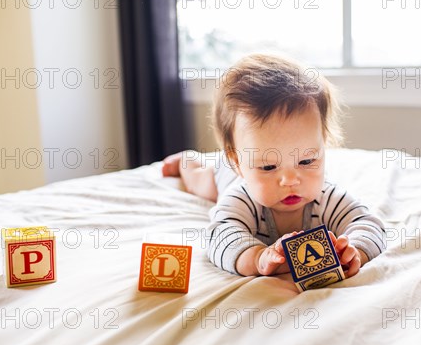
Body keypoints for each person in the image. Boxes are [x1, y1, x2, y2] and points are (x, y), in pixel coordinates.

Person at [162, 54, 386, 278]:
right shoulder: (240, 199)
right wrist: (258, 257)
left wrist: (354, 251)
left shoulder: (328, 198)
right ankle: (187, 162)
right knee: (202, 183)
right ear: (237, 162)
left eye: (306, 161)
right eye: (268, 167)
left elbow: (369, 224)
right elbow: (219, 237)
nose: (290, 180)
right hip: (223, 176)